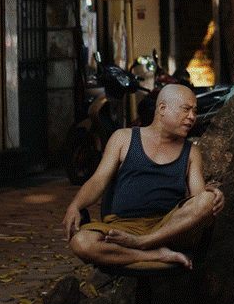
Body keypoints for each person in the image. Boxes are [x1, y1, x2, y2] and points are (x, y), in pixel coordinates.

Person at [63, 83, 225, 270]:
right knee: (81, 242)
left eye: (194, 112)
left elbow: (198, 199)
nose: (192, 118)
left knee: (206, 199)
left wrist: (211, 195)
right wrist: (75, 206)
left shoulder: (191, 152)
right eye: (186, 110)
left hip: (168, 228)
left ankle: (144, 243)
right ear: (163, 108)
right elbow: (98, 181)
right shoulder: (123, 138)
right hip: (123, 226)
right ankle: (155, 254)